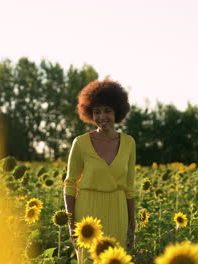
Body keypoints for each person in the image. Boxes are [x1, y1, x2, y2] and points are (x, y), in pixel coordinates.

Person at [63, 79, 136, 264]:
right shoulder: (80, 143)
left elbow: (129, 187)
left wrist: (132, 224)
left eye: (107, 111)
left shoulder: (129, 143)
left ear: (117, 112)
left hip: (118, 211)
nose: (102, 116)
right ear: (89, 113)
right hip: (87, 214)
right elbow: (70, 184)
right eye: (96, 111)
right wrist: (72, 225)